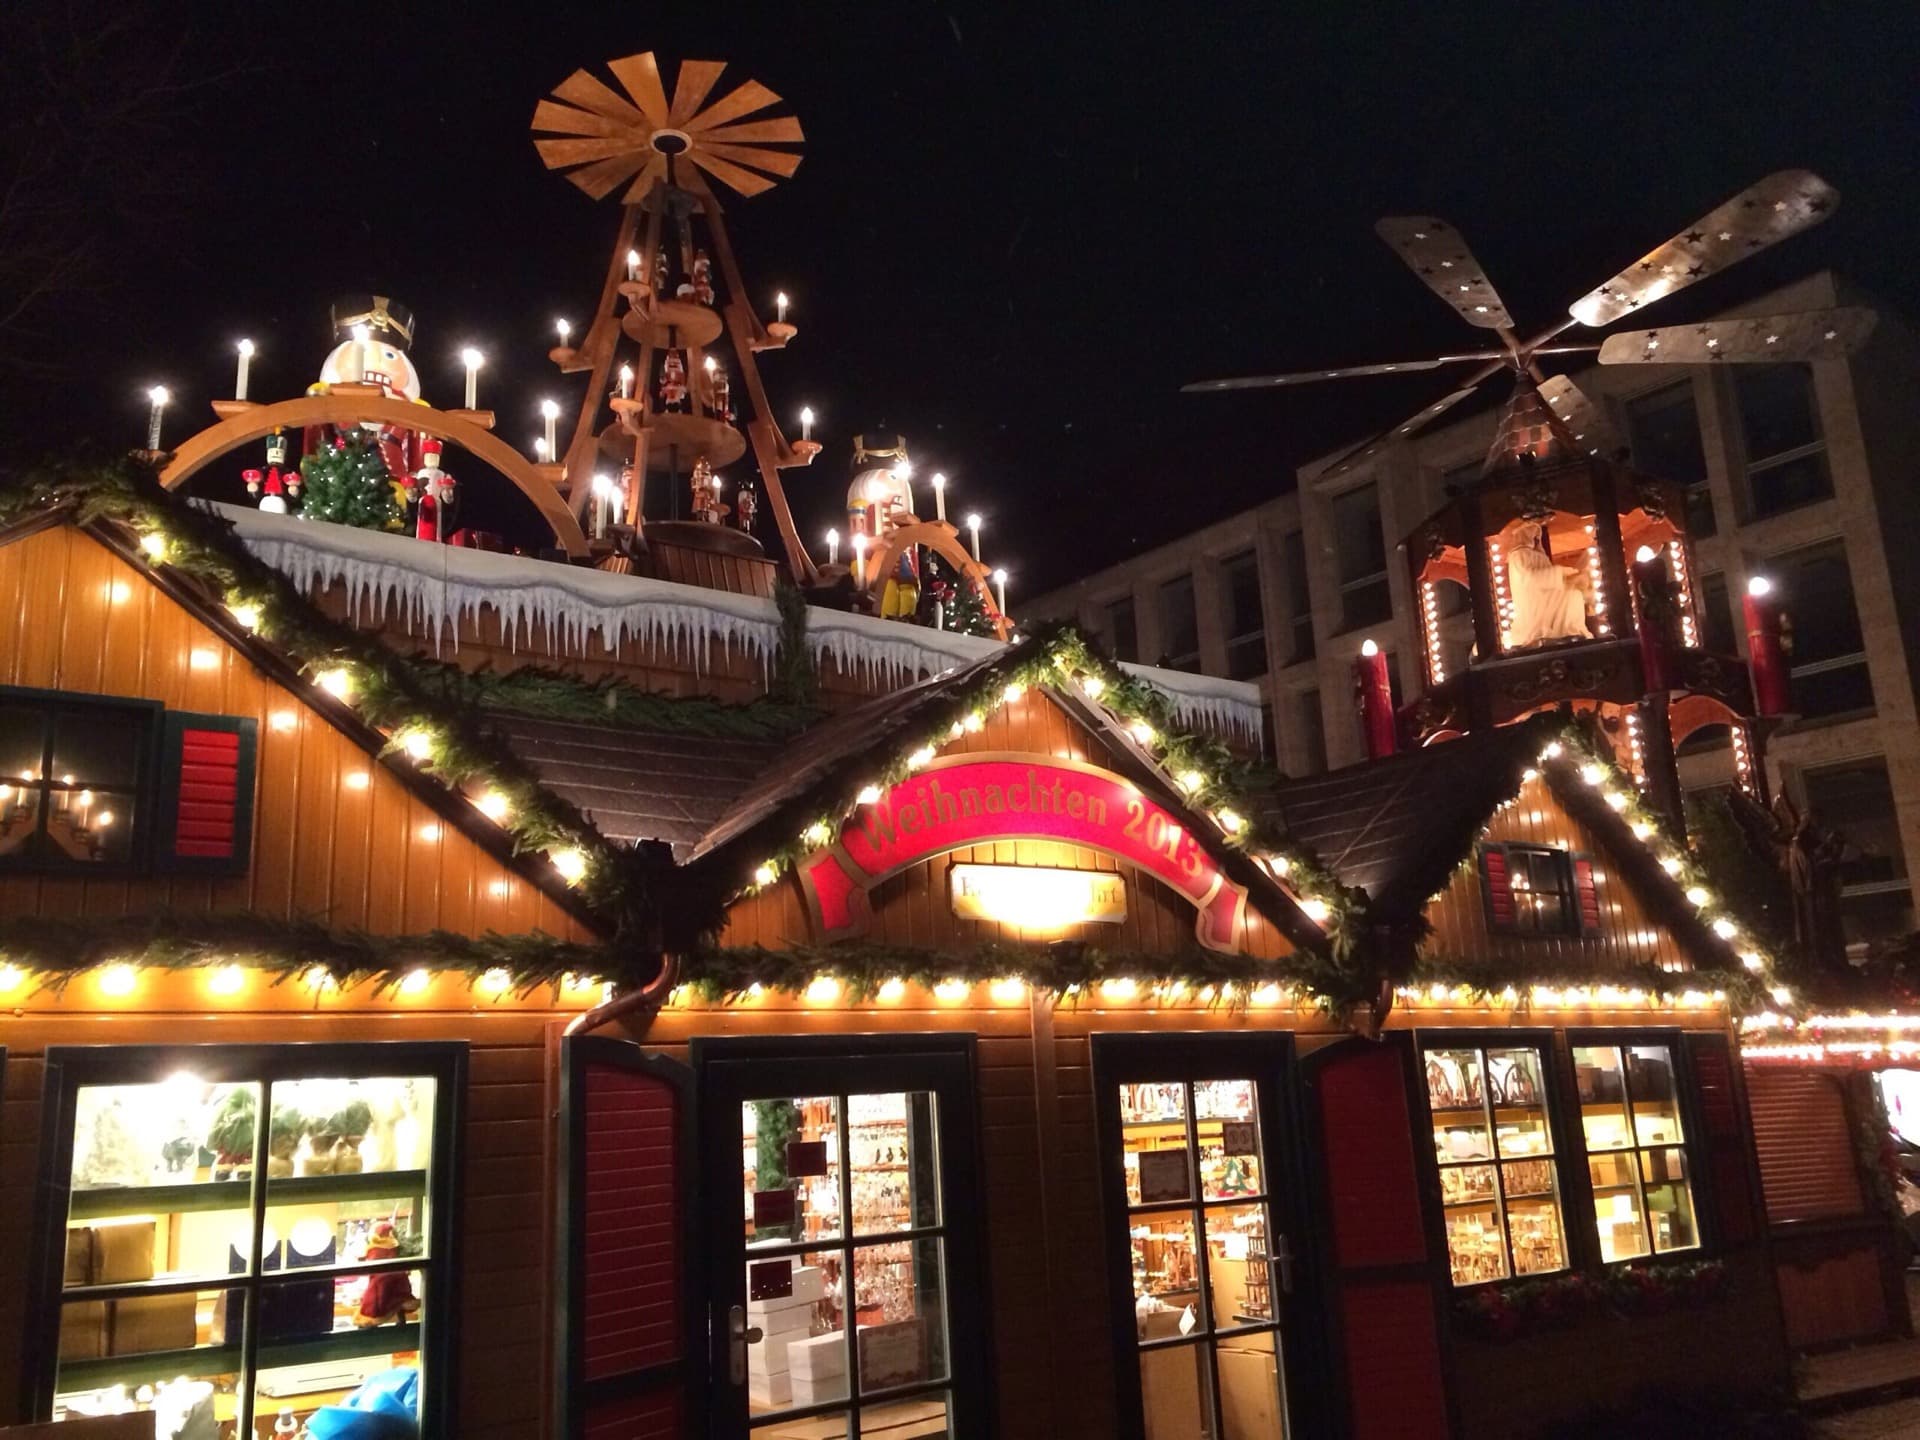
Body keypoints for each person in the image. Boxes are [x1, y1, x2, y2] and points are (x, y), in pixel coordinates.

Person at [1504, 520, 1590, 646]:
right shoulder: (1518, 555)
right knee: (1570, 595)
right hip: (1534, 600)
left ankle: (1571, 629)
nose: (1535, 538)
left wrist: (1569, 575)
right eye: (1531, 533)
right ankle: (1563, 630)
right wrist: (1561, 576)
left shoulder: (1539, 555)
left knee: (1574, 593)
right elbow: (1530, 578)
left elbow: (1548, 573)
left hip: (1545, 594)